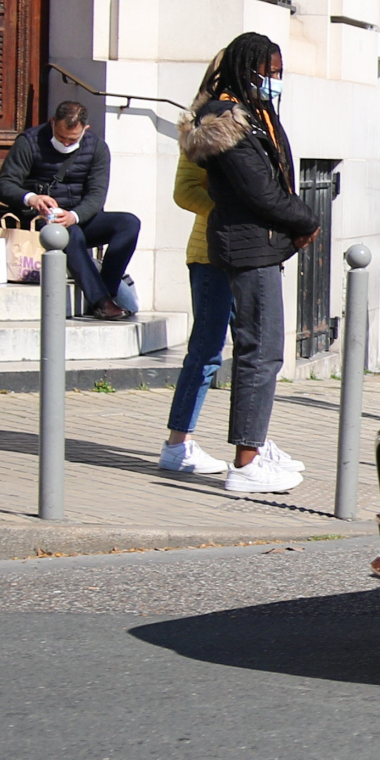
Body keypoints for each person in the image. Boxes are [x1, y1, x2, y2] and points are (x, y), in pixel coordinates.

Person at [179, 33, 317, 494]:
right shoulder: (225, 120)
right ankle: (246, 461)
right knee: (259, 350)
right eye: (269, 72)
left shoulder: (250, 115)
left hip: (256, 244)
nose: (274, 81)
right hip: (247, 244)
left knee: (262, 350)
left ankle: (253, 449)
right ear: (247, 68)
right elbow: (258, 189)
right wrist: (305, 217)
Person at [0, 100, 140, 321]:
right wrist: (32, 198)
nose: (65, 143)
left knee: (129, 223)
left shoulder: (97, 147)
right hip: (41, 219)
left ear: (85, 130)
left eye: (73, 139)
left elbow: (96, 195)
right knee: (68, 234)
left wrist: (74, 215)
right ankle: (101, 302)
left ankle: (107, 291)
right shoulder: (29, 141)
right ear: (52, 123)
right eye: (61, 137)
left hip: (78, 216)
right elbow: (4, 185)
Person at [155, 136, 233, 477]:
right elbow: (185, 191)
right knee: (205, 351)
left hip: (248, 257)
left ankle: (252, 446)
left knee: (255, 352)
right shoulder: (204, 130)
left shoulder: (262, 122)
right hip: (211, 255)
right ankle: (178, 442)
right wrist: (231, 214)